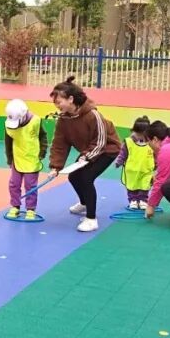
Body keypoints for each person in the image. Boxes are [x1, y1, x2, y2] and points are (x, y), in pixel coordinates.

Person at [45, 76, 121, 232]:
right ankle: (84, 203)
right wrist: (55, 167)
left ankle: (91, 219)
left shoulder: (93, 115)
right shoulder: (63, 119)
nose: (57, 106)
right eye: (55, 103)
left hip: (107, 150)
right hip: (88, 151)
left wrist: (86, 157)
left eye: (59, 102)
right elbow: (59, 144)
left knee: (86, 178)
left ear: (71, 99)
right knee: (73, 176)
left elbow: (100, 142)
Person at [4, 98, 47, 221]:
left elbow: (42, 136)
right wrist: (10, 158)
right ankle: (15, 206)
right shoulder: (9, 123)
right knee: (14, 184)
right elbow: (8, 142)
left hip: (32, 159)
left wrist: (42, 152)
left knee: (30, 185)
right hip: (17, 159)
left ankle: (30, 209)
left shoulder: (35, 121)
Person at [114, 115, 154, 210]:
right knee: (131, 186)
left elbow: (155, 154)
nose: (138, 135)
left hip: (146, 170)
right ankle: (133, 200)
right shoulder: (128, 142)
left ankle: (143, 200)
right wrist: (119, 162)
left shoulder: (151, 143)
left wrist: (157, 164)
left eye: (141, 134)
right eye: (137, 133)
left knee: (145, 186)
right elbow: (123, 153)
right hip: (131, 170)